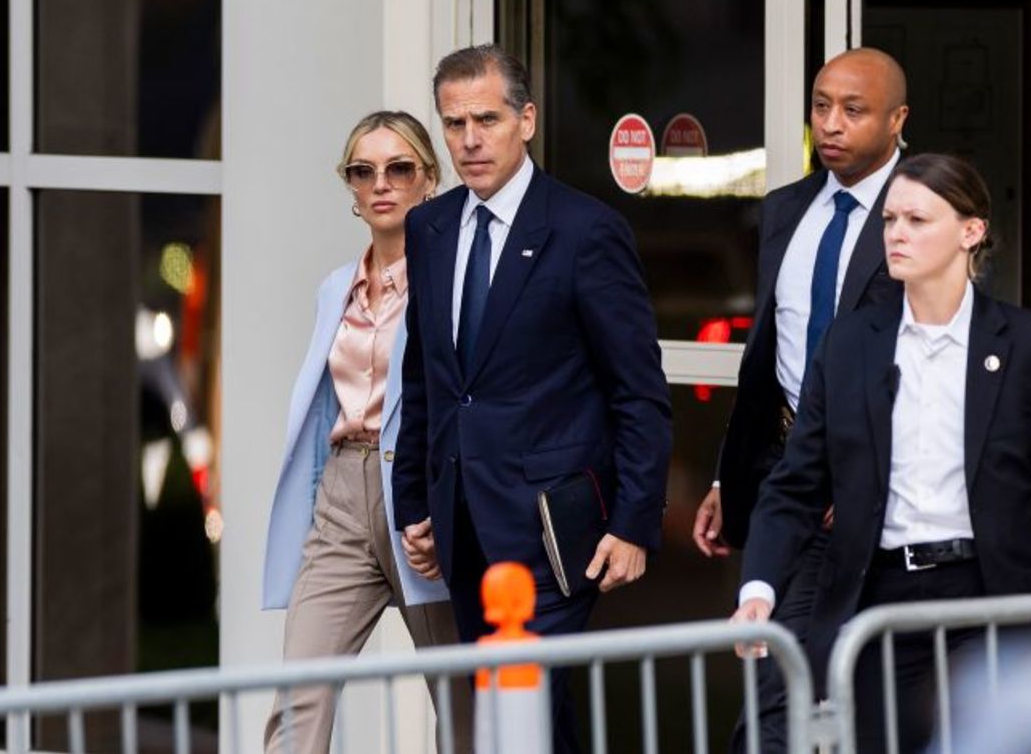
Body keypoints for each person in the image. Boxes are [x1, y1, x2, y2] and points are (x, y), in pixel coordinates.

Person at [391, 44, 672, 754]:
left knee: (510, 703)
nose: (469, 140)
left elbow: (637, 388)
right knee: (533, 713)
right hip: (460, 521)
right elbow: (426, 375)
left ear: (527, 120)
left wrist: (636, 519)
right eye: (454, 123)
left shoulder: (585, 231)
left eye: (486, 119)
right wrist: (414, 502)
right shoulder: (429, 227)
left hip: (552, 528)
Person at [732, 153, 1031, 753]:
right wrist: (758, 592)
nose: (897, 233)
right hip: (880, 602)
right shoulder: (851, 344)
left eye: (918, 220)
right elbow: (796, 484)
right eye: (890, 219)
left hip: (990, 596)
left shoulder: (1024, 346)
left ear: (970, 232)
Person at [690, 47, 909, 750]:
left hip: (878, 496)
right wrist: (731, 470)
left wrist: (878, 467)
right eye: (821, 106)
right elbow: (766, 360)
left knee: (856, 694)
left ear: (898, 119)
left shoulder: (921, 212)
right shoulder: (787, 209)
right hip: (788, 475)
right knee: (776, 688)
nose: (831, 123)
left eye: (854, 109)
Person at [261, 111, 471, 754]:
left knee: (461, 700)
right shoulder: (335, 290)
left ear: (428, 180)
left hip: (423, 497)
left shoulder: (455, 281)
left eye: (399, 168)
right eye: (363, 171)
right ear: (350, 189)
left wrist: (442, 503)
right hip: (346, 495)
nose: (381, 183)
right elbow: (328, 407)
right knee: (300, 691)